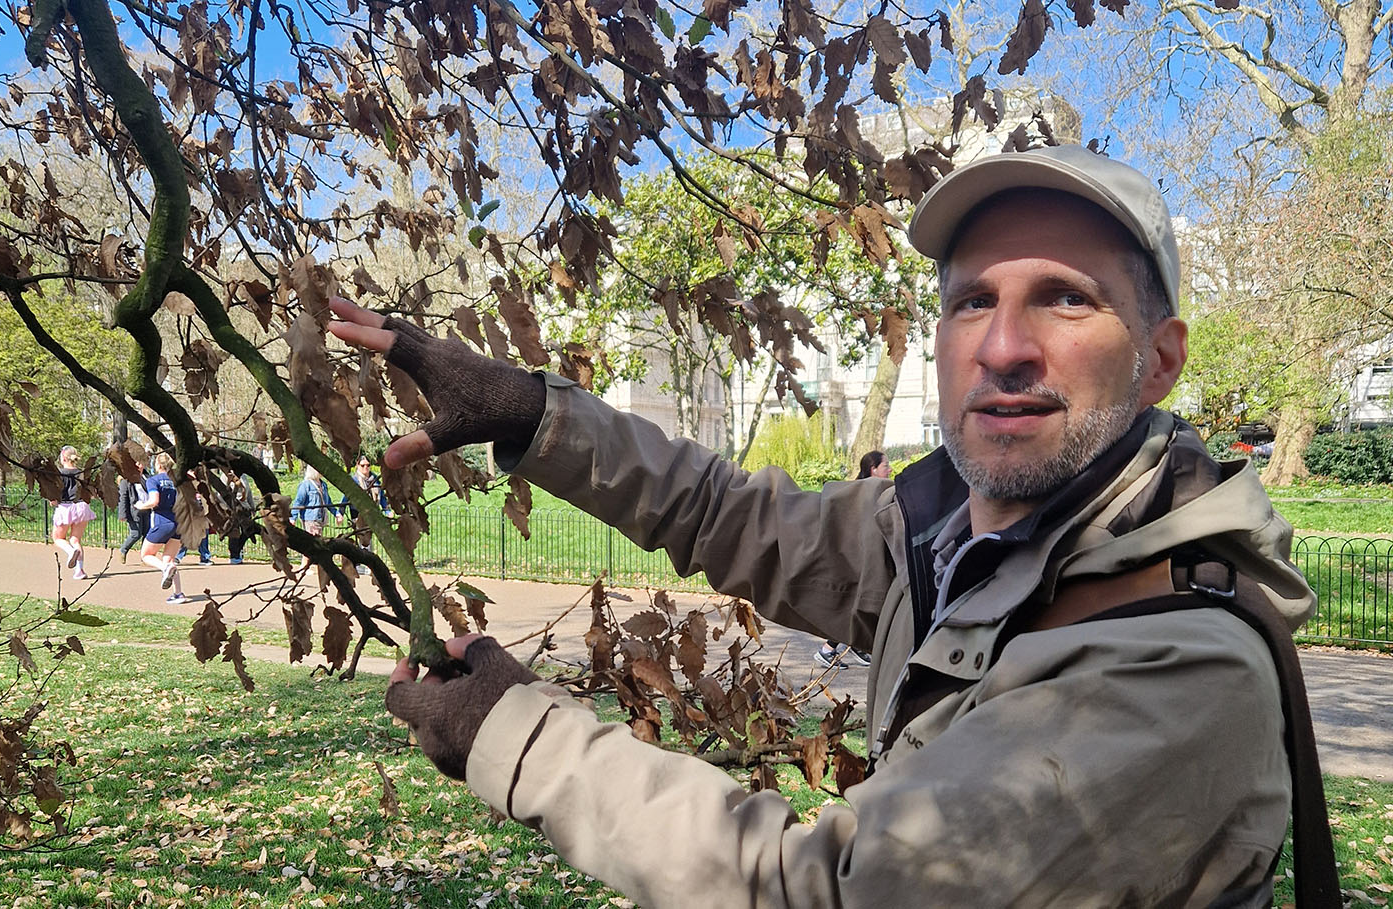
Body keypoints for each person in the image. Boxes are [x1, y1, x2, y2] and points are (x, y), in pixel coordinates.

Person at [330, 145, 1335, 905]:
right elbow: (729, 516)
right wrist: (535, 414)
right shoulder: (952, 535)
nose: (1005, 346)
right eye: (972, 301)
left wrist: (519, 737)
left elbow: (828, 891)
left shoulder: (1173, 666)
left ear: (1159, 359)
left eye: (1066, 300)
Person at [812, 449, 890, 669]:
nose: (890, 469)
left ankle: (855, 646)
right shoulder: (865, 492)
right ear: (873, 469)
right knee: (854, 604)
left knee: (857, 605)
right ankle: (827, 650)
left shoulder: (869, 491)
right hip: (855, 560)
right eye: (885, 466)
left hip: (859, 558)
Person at [136, 452, 186, 604]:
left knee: (146, 555)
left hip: (162, 521)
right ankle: (178, 594)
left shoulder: (154, 480)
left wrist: (141, 505)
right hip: (178, 522)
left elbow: (154, 500)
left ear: (158, 465)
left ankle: (165, 569)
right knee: (170, 559)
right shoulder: (177, 481)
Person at [49, 444, 95, 581]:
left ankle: (70, 552)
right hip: (81, 506)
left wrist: (53, 500)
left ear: (63, 457)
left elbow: (55, 493)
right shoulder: (82, 473)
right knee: (75, 539)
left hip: (66, 507)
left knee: (58, 538)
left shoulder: (59, 474)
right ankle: (79, 571)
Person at [342, 455, 390, 575]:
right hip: (357, 514)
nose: (366, 468)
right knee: (360, 539)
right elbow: (345, 497)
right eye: (363, 465)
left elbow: (382, 496)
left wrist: (386, 509)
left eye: (368, 465)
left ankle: (368, 563)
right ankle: (359, 564)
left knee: (369, 539)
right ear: (357, 466)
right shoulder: (354, 480)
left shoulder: (375, 479)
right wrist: (340, 512)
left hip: (372, 514)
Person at [291, 463, 339, 571]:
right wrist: (293, 517)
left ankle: (310, 565)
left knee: (315, 542)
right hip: (310, 518)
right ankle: (305, 566)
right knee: (311, 542)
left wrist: (336, 513)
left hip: (321, 517)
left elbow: (328, 502)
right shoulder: (306, 485)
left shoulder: (323, 485)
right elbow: (298, 502)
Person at [115, 449, 151, 563]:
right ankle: (123, 550)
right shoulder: (126, 480)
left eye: (141, 463)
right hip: (134, 511)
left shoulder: (147, 477)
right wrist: (122, 514)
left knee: (147, 534)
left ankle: (145, 557)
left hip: (147, 510)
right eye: (137, 463)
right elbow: (123, 497)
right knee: (136, 534)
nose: (139, 466)